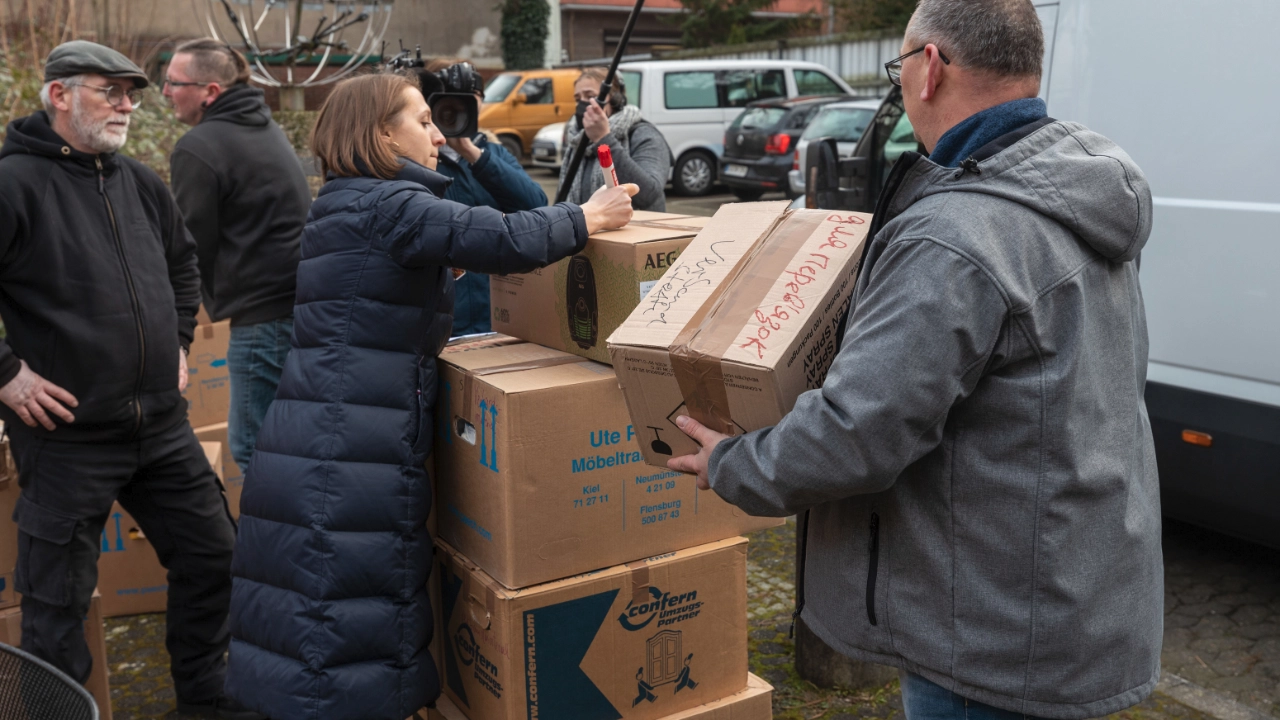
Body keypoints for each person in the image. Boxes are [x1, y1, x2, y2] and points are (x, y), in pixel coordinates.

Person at [668, 1, 1162, 719]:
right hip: (1070, 604)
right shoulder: (1075, 185)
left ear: (929, 67)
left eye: (900, 67)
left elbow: (858, 433)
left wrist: (732, 464)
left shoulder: (957, 234)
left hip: (985, 643)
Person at [224, 71, 636, 720]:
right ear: (380, 134)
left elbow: (375, 288)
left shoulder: (343, 203)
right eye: (421, 121)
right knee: (346, 631)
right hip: (349, 457)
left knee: (306, 618)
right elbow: (505, 238)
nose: (438, 133)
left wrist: (436, 267)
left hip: (313, 444)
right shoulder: (393, 206)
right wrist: (587, 216)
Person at [0, 41, 258, 719]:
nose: (126, 105)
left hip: (161, 429)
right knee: (56, 609)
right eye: (108, 90)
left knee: (214, 559)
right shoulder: (12, 185)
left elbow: (183, 264)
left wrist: (175, 339)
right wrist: (8, 376)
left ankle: (204, 701)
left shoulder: (137, 180)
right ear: (59, 95)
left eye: (132, 93)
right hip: (67, 439)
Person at [165, 38, 311, 471]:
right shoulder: (263, 127)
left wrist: (176, 327)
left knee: (253, 448)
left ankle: (275, 540)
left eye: (174, 83)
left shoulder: (199, 146)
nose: (167, 92)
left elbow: (188, 250)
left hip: (260, 319)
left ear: (210, 92)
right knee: (292, 441)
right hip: (300, 307)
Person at [416, 58, 549, 336]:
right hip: (441, 318)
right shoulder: (419, 160)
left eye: (470, 99)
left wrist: (471, 153)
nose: (457, 108)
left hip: (495, 314)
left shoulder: (493, 154)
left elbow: (536, 205)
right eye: (448, 101)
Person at [559, 66, 671, 211]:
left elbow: (649, 194)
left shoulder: (644, 135)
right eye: (577, 98)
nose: (582, 103)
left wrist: (603, 138)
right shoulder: (577, 141)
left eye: (590, 96)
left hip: (638, 231)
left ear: (615, 99)